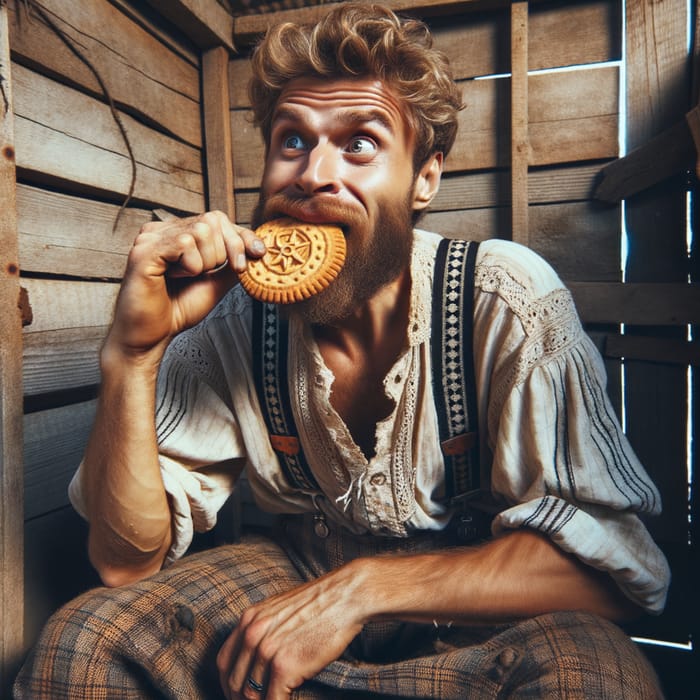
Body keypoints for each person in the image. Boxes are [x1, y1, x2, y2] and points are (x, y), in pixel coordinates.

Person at [15, 3, 669, 698]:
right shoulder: (231, 318)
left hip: (480, 612)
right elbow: (123, 562)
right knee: (85, 643)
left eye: (359, 144)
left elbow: (619, 573)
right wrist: (133, 355)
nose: (312, 174)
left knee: (605, 680)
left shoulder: (504, 298)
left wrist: (362, 589)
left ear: (424, 178)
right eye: (292, 141)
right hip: (298, 570)